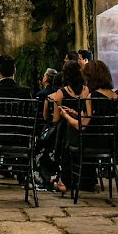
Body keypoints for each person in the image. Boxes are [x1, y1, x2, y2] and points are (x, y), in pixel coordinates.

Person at [47, 60, 91, 193]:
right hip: (85, 134)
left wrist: (65, 114)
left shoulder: (61, 93)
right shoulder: (86, 91)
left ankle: (60, 176)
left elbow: (55, 119)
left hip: (67, 136)